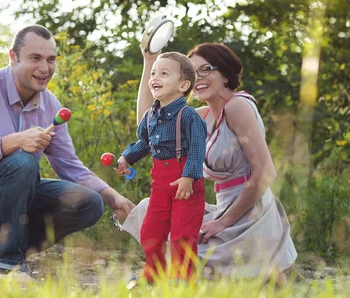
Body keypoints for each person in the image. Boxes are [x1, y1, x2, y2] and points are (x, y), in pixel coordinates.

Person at [0, 24, 135, 279]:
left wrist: (114, 197)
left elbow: (68, 165)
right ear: (13, 57)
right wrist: (16, 141)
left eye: (51, 60)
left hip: (15, 190)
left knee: (89, 203)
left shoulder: (50, 104)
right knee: (22, 160)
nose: (45, 68)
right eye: (35, 58)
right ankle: (4, 265)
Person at [121, 42, 297, 282]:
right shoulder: (202, 115)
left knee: (188, 252)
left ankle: (270, 272)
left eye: (205, 70)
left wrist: (223, 222)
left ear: (225, 75)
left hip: (249, 215)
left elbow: (266, 172)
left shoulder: (237, 106)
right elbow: (150, 124)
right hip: (223, 208)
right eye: (193, 72)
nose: (198, 77)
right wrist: (149, 62)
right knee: (150, 213)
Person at [116, 52, 207, 282]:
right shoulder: (150, 116)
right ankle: (153, 273)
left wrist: (188, 176)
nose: (155, 77)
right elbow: (144, 144)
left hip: (185, 183)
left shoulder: (189, 116)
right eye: (154, 73)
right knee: (150, 231)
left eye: (164, 74)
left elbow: (197, 149)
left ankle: (183, 281)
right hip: (160, 185)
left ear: (183, 85)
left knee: (182, 235)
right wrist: (127, 158)